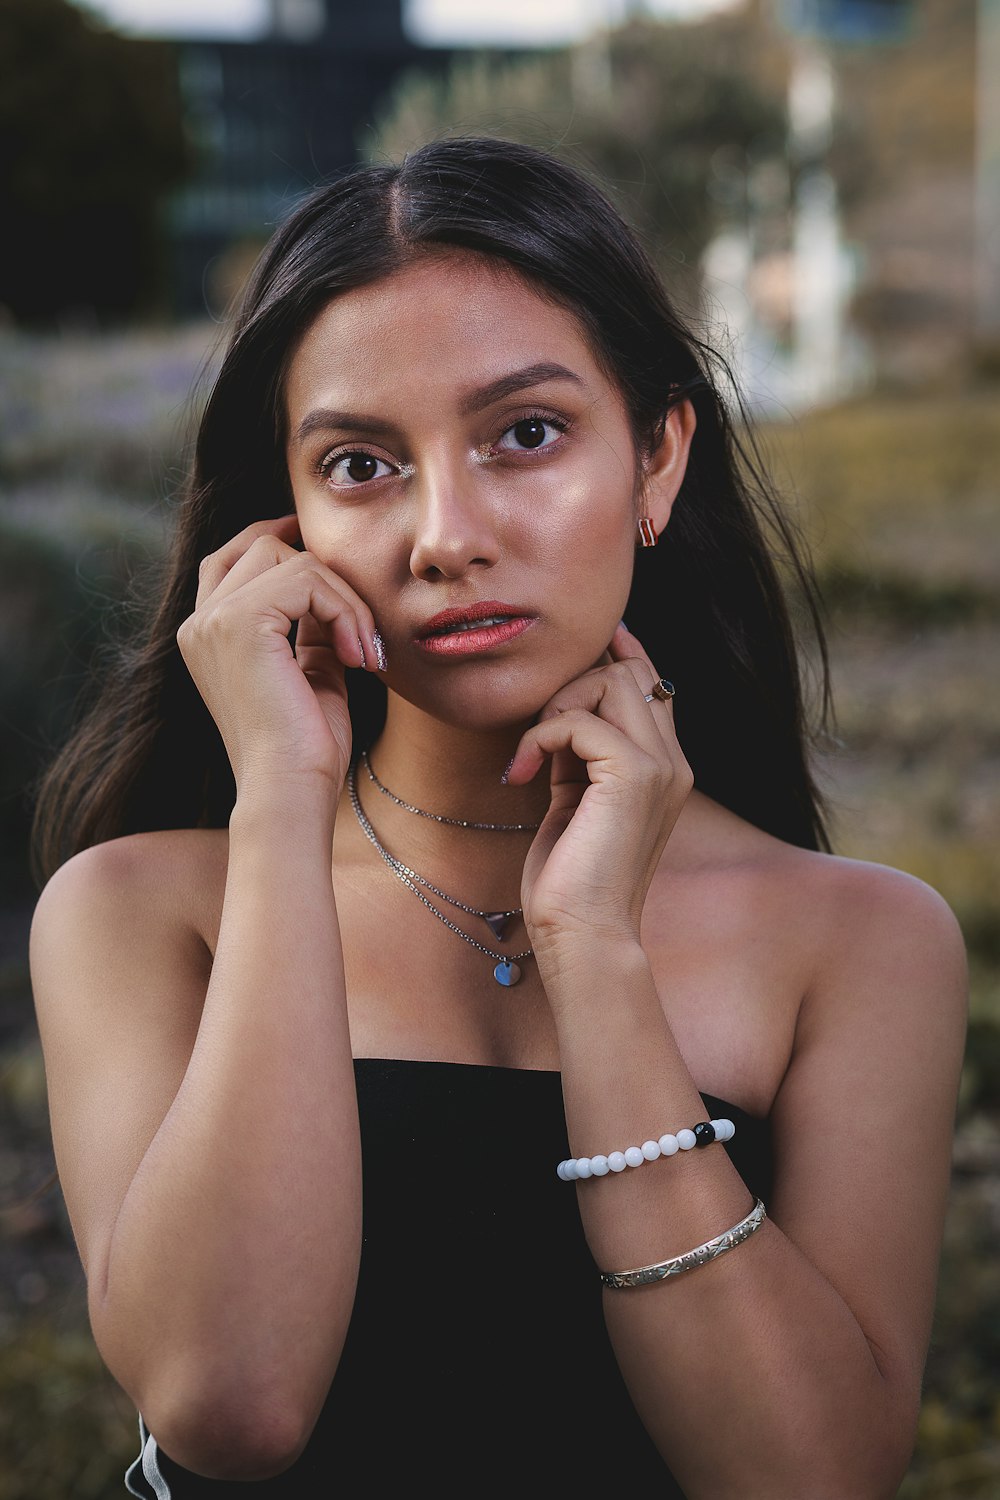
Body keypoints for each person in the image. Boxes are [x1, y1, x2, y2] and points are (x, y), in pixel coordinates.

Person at [27, 136, 967, 1499]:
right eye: (359, 465)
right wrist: (282, 808)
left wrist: (594, 949)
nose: (443, 535)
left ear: (657, 460)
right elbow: (228, 1404)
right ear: (281, 520)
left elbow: (806, 1478)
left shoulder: (860, 945)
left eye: (525, 435)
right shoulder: (138, 911)